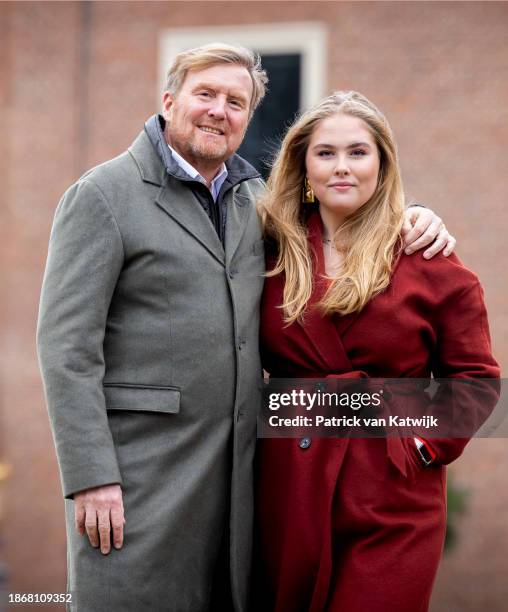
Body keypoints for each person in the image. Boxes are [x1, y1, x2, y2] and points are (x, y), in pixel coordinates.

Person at [36, 42, 454, 612]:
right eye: (204, 93)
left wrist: (413, 214)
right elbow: (66, 348)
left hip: (241, 484)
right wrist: (90, 476)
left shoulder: (256, 204)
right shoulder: (102, 196)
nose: (218, 110)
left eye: (236, 102)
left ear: (248, 119)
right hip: (137, 480)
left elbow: (342, 213)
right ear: (168, 100)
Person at [255, 91, 500, 612]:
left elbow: (477, 379)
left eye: (358, 152)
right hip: (288, 490)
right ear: (303, 167)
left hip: (393, 498)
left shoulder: (429, 260)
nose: (342, 167)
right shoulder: (266, 252)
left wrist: (418, 444)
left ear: (383, 165)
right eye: (325, 153)